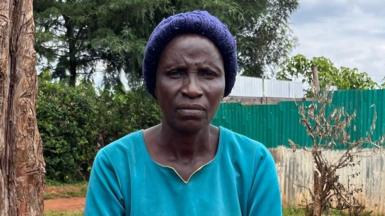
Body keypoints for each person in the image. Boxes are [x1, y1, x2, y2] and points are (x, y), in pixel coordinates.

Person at [85, 10, 282, 216]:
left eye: (208, 74)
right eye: (175, 73)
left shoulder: (253, 164)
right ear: (155, 85)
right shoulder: (116, 164)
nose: (192, 89)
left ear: (225, 86)